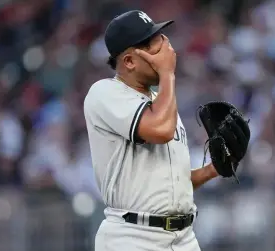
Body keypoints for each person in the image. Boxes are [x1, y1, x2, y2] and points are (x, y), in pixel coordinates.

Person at [84, 10, 224, 251]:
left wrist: (213, 169)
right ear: (129, 61)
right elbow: (161, 130)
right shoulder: (104, 93)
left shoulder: (161, 101)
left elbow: (173, 183)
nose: (165, 50)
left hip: (184, 238)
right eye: (152, 44)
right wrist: (167, 73)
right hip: (133, 237)